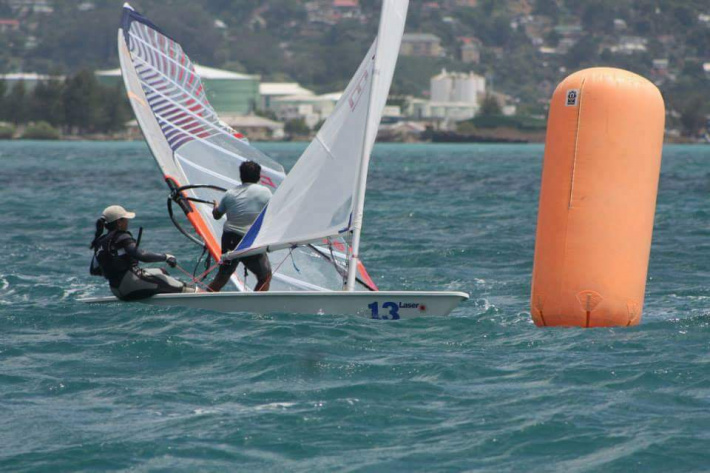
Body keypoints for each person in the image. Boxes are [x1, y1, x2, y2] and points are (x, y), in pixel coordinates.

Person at [90, 205, 195, 300]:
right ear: (119, 222)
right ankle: (197, 292)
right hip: (132, 286)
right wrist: (166, 257)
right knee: (181, 286)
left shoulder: (99, 243)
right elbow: (142, 256)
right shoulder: (122, 236)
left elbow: (94, 270)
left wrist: (116, 265)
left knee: (162, 272)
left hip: (117, 291)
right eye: (125, 219)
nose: (127, 222)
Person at [208, 160, 272, 292]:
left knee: (223, 276)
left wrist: (215, 207)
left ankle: (202, 299)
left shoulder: (230, 194)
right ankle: (257, 309)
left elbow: (217, 215)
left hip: (230, 238)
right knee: (265, 276)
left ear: (241, 176)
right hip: (249, 240)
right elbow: (273, 213)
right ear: (259, 176)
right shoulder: (265, 192)